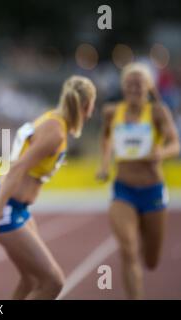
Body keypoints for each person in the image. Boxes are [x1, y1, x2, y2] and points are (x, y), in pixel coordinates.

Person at [0, 75, 97, 300]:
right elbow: (17, 169)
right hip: (5, 206)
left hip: (16, 206)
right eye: (93, 105)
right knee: (53, 282)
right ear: (87, 106)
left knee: (31, 279)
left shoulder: (53, 120)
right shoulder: (55, 131)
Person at [96, 63, 180, 299]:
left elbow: (175, 143)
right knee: (129, 251)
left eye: (138, 83)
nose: (133, 88)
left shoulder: (157, 112)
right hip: (123, 190)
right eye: (129, 83)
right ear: (123, 86)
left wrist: (160, 154)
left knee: (151, 261)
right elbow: (105, 140)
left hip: (153, 191)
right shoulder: (112, 112)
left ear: (148, 86)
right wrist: (104, 165)